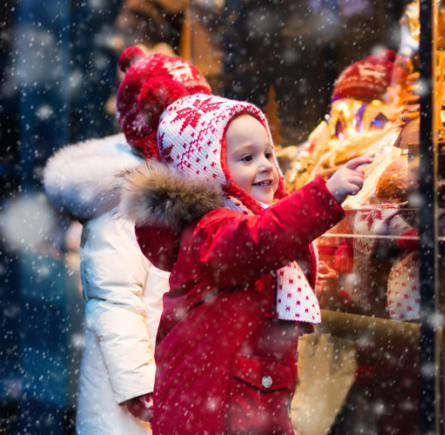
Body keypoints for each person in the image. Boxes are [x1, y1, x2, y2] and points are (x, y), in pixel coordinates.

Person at [114, 46, 367, 434]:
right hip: (213, 409)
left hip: (248, 396)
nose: (266, 165)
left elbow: (268, 260)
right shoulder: (210, 229)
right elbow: (259, 242)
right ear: (208, 167)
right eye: (246, 158)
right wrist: (324, 195)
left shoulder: (246, 222)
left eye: (267, 153)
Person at [44, 134, 170, 433]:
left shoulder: (154, 197)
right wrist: (139, 387)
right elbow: (114, 302)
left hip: (155, 379)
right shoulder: (125, 202)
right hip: (133, 393)